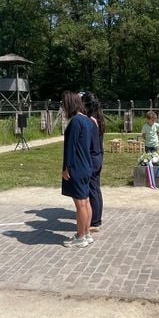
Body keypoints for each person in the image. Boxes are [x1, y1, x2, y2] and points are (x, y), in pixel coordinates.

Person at [61, 91, 95, 248]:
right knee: (86, 201)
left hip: (77, 167)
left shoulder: (75, 121)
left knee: (80, 204)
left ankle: (80, 237)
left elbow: (70, 147)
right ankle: (86, 233)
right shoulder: (88, 121)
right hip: (86, 165)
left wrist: (65, 168)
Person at [81, 92, 105, 234]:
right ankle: (96, 219)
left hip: (93, 156)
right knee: (95, 187)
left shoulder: (92, 120)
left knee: (93, 188)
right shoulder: (98, 117)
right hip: (98, 155)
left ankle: (95, 221)